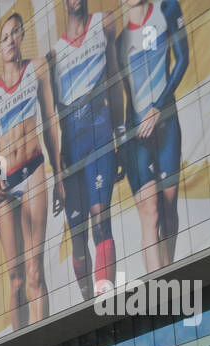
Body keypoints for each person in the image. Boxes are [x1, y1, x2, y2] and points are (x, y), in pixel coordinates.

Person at [0, 10, 65, 332]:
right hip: (7, 183)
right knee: (14, 278)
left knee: (33, 270)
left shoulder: (37, 69)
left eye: (15, 33)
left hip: (33, 170)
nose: (11, 40)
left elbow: (49, 121)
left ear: (22, 36)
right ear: (0, 49)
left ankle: (41, 342)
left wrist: (58, 175)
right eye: (5, 38)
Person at [48, 0, 122, 298]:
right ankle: (88, 305)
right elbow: (50, 119)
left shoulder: (104, 23)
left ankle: (107, 303)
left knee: (101, 222)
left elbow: (115, 79)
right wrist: (56, 170)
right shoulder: (53, 55)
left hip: (100, 130)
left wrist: (120, 133)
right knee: (77, 239)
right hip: (71, 146)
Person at [116, 0, 188, 272]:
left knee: (168, 210)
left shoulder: (167, 8)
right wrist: (123, 144)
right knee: (150, 213)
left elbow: (183, 59)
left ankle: (167, 271)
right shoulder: (121, 41)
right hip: (138, 137)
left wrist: (159, 106)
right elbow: (127, 95)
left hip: (167, 125)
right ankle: (158, 295)